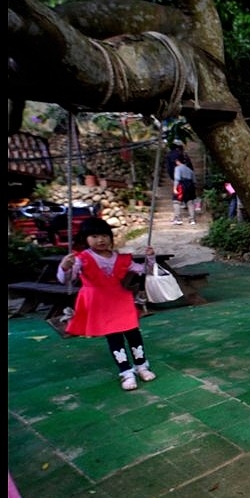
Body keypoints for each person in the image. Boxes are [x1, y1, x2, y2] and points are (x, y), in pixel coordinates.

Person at [56, 217, 158, 392]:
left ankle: (142, 366)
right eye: (94, 236)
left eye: (104, 235)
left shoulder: (120, 258)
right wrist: (65, 266)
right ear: (85, 238)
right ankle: (126, 371)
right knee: (114, 338)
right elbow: (67, 280)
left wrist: (150, 258)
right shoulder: (81, 258)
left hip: (120, 300)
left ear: (110, 237)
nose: (100, 240)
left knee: (134, 334)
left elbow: (145, 271)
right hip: (99, 303)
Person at [172, 157, 197, 225]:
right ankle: (192, 219)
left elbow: (177, 178)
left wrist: (175, 188)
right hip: (190, 185)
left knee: (176, 201)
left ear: (178, 161)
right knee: (190, 202)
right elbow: (194, 181)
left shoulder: (178, 168)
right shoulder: (190, 170)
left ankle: (178, 219)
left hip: (181, 185)